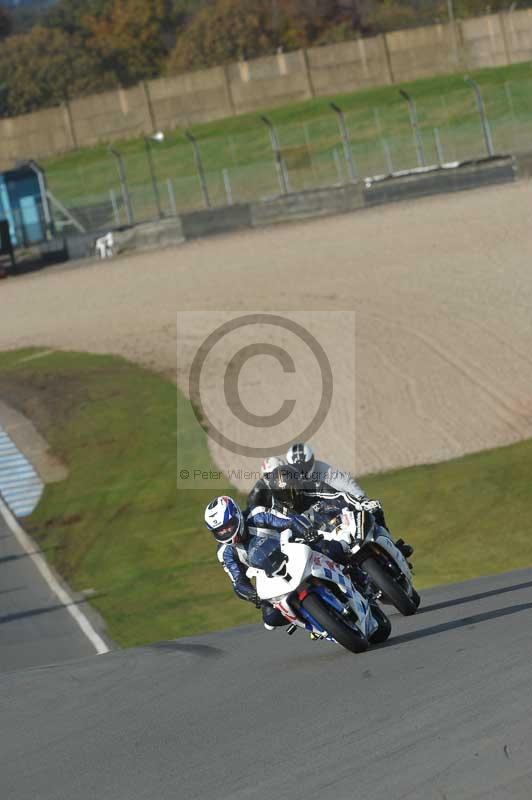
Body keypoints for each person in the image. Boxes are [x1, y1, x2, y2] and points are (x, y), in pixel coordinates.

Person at [204, 495, 350, 630]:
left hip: (292, 550)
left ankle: (358, 575)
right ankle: (314, 623)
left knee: (330, 548)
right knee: (270, 618)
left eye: (228, 525)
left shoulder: (256, 514)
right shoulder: (225, 552)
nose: (226, 532)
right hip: (270, 576)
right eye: (220, 530)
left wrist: (306, 532)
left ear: (237, 516)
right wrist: (251, 594)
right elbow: (238, 580)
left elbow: (289, 522)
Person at [268, 463, 414, 560]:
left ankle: (395, 547)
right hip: (318, 541)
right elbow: (283, 538)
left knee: (374, 509)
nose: (293, 496)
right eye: (286, 493)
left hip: (337, 524)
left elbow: (340, 495)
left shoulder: (312, 487)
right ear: (276, 495)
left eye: (295, 490)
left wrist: (361, 503)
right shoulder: (279, 513)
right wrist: (300, 540)